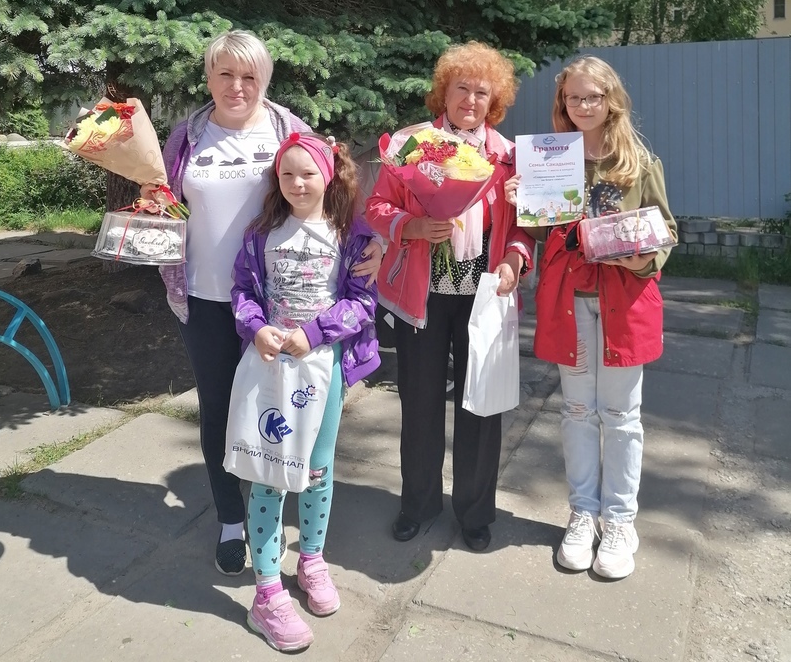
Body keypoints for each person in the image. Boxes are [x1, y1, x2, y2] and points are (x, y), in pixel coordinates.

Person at [154, 31, 381, 576]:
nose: (237, 86)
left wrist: (370, 239)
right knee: (221, 410)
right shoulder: (186, 136)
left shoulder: (287, 128)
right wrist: (150, 208)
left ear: (265, 80)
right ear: (208, 77)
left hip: (282, 310)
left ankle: (278, 513)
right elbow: (162, 200)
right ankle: (233, 521)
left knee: (281, 409)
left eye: (249, 76)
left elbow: (333, 189)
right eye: (225, 74)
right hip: (207, 299)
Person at [507, 56, 675, 580]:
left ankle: (620, 521)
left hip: (624, 301)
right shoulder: (550, 158)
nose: (582, 105)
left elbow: (665, 230)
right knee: (578, 411)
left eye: (592, 97)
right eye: (573, 98)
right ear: (563, 103)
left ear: (611, 100)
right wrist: (521, 203)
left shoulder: (638, 161)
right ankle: (583, 512)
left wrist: (638, 257)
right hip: (570, 300)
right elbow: (542, 232)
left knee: (621, 416)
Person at [365, 42, 535, 552]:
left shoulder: (509, 156)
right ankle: (417, 504)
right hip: (423, 295)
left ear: (494, 101)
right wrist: (412, 225)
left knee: (481, 406)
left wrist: (514, 260)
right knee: (419, 401)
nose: (470, 100)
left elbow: (525, 227)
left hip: (484, 294)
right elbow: (376, 207)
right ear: (444, 92)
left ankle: (475, 513)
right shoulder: (411, 144)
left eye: (482, 92)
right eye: (462, 88)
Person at [231, 132, 379, 652]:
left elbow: (363, 301)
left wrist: (314, 333)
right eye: (287, 174)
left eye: (307, 173)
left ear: (329, 175)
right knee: (269, 474)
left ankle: (311, 560)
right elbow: (243, 292)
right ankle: (267, 591)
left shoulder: (350, 235)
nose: (297, 183)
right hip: (271, 370)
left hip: (322, 371)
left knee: (317, 470)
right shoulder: (261, 233)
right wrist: (256, 328)